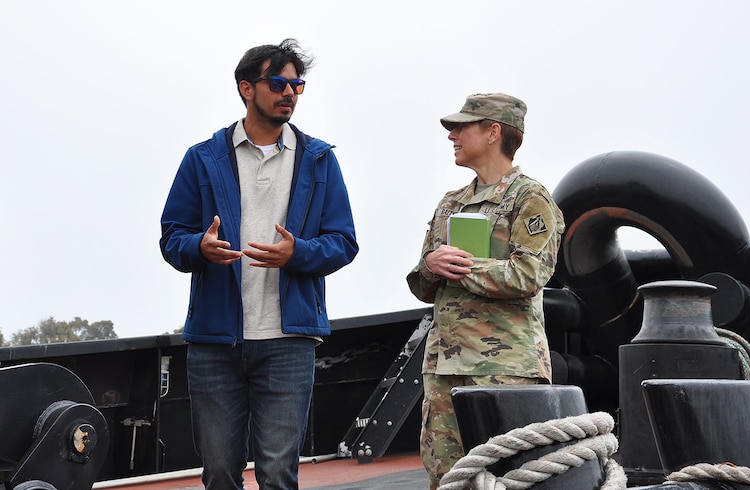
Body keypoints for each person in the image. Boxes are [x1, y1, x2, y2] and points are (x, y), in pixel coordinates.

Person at [159, 39, 358, 490]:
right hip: (215, 343)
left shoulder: (320, 159)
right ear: (246, 89)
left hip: (289, 343)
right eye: (278, 83)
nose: (289, 92)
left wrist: (298, 253)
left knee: (278, 475)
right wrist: (200, 247)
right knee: (221, 475)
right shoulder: (202, 158)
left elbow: (344, 243)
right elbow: (172, 239)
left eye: (297, 85)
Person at [406, 93, 564, 488]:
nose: (452, 136)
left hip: (504, 370)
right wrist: (430, 266)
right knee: (447, 478)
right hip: (444, 368)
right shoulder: (451, 203)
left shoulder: (530, 198)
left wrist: (458, 267)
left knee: (512, 478)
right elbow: (424, 284)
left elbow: (528, 274)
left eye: (462, 127)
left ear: (493, 132)